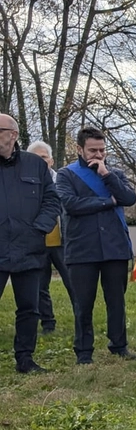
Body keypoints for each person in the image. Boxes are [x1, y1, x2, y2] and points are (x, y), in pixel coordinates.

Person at [56, 127, 136, 364]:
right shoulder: (66, 175)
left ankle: (119, 345)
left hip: (114, 247)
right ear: (80, 149)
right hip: (82, 248)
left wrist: (106, 175)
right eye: (93, 150)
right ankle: (83, 351)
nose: (98, 154)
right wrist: (107, 202)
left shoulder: (115, 173)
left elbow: (129, 198)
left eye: (102, 150)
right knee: (83, 303)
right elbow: (71, 205)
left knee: (116, 301)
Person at [0, 115, 61, 373]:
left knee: (29, 308)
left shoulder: (35, 165)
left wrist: (39, 229)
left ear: (12, 135)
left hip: (29, 247)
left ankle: (25, 359)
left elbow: (52, 201)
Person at [27, 141, 75, 337]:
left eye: (44, 157)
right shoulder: (26, 183)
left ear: (52, 160)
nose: (40, 161)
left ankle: (82, 320)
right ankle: (47, 323)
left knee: (73, 283)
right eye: (36, 158)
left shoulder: (63, 181)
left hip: (63, 242)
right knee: (40, 286)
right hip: (37, 242)